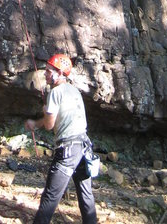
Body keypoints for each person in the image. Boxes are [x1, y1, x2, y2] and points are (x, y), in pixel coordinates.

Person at [25, 54, 97, 224]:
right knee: (85, 193)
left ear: (60, 73)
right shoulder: (74, 91)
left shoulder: (55, 92)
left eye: (49, 71)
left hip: (68, 149)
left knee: (50, 195)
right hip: (84, 147)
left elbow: (49, 125)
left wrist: (37, 120)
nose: (45, 74)